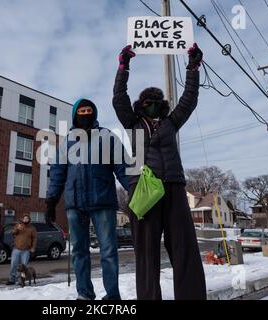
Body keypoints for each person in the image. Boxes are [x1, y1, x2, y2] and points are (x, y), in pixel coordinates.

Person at [112, 43, 207, 300]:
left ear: (162, 105)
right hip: (143, 190)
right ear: (140, 105)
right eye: (147, 102)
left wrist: (193, 66)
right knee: (146, 252)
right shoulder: (132, 123)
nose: (152, 105)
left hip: (174, 188)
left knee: (184, 248)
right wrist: (123, 66)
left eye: (156, 101)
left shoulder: (171, 122)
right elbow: (118, 98)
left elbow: (189, 98)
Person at [45, 98, 129, 300]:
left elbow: (123, 167)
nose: (85, 113)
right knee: (79, 252)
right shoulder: (68, 142)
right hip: (75, 203)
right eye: (81, 110)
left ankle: (112, 296)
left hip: (103, 201)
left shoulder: (107, 137)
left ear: (95, 113)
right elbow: (58, 172)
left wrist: (135, 191)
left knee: (108, 252)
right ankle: (84, 294)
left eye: (88, 110)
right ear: (75, 115)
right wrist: (51, 200)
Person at [7, 214, 37, 285]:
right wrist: (17, 228)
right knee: (14, 265)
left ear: (29, 219)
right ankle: (11, 279)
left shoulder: (32, 228)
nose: (25, 219)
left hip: (26, 250)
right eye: (24, 218)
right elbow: (13, 233)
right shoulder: (19, 225)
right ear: (23, 219)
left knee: (23, 267)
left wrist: (33, 247)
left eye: (27, 218)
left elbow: (34, 238)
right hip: (16, 249)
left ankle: (21, 280)